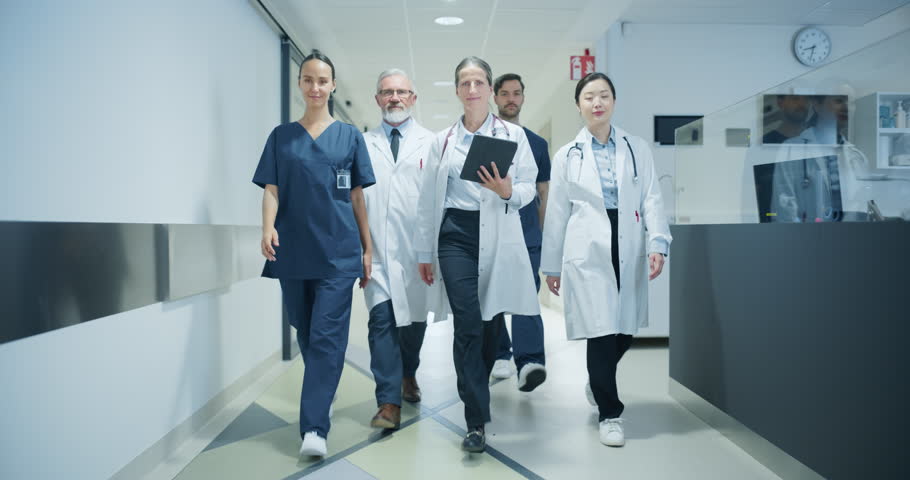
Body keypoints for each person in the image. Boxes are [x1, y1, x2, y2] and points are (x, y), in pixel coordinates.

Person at [252, 51, 375, 458]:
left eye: (323, 80)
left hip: (339, 252)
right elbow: (272, 189)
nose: (316, 87)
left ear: (333, 85)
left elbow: (356, 196)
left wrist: (367, 247)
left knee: (326, 336)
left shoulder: (350, 136)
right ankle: (324, 390)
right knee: (305, 329)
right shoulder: (281, 136)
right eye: (308, 80)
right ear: (301, 84)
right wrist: (267, 226)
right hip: (293, 250)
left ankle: (314, 429)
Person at [416, 56, 540, 453]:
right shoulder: (443, 141)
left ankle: (477, 393)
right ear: (457, 91)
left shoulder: (513, 137)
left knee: (488, 324)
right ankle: (475, 420)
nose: (472, 90)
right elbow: (426, 202)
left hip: (498, 234)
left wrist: (507, 191)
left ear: (489, 89)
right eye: (464, 83)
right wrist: (425, 252)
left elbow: (528, 189)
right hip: (455, 236)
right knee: (467, 323)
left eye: (479, 83)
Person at [540, 72, 671, 448]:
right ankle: (610, 413)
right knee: (600, 329)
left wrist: (657, 243)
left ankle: (599, 378)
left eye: (604, 96)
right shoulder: (567, 154)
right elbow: (557, 212)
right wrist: (551, 265)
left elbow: (651, 198)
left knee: (625, 326)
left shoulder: (635, 147)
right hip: (587, 245)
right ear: (579, 105)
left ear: (613, 101)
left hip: (628, 239)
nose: (597, 103)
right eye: (589, 97)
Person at [361, 69, 433, 430]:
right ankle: (388, 402)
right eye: (387, 92)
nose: (394, 98)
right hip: (376, 252)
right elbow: (354, 198)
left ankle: (409, 373)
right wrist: (360, 248)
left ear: (413, 98)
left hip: (417, 253)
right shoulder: (363, 143)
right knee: (381, 323)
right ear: (377, 99)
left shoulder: (432, 142)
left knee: (414, 324)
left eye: (402, 91)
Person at [489, 73, 550, 392]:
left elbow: (543, 191)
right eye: (504, 93)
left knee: (527, 296)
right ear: (495, 98)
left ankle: (530, 361)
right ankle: (501, 353)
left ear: (523, 97)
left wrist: (542, 233)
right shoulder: (485, 141)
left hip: (527, 232)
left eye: (516, 93)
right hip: (494, 232)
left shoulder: (537, 144)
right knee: (494, 291)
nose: (511, 99)